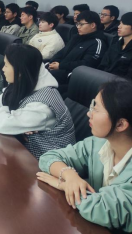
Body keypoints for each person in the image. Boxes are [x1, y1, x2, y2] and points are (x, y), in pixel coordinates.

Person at [36, 80, 132, 232]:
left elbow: (100, 209)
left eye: (96, 109)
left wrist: (64, 185)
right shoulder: (98, 143)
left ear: (120, 124)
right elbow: (49, 157)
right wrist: (69, 175)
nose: (89, 113)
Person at [0, 44, 75, 159]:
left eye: (6, 65)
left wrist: (10, 120)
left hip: (48, 162)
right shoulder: (22, 83)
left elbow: (3, 125)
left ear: (20, 71)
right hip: (24, 151)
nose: (3, 69)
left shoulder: (43, 106)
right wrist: (13, 120)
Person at [48, 11, 107, 86]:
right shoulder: (76, 37)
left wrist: (60, 66)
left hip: (72, 77)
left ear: (93, 25)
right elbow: (62, 52)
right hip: (60, 69)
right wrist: (54, 62)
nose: (78, 27)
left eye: (81, 24)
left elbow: (87, 64)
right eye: (77, 24)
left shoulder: (98, 43)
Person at [98, 12, 132, 80]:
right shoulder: (115, 45)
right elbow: (102, 65)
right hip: (103, 79)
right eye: (120, 23)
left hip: (120, 85)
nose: (119, 26)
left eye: (124, 24)